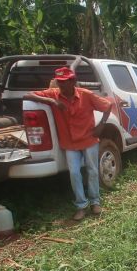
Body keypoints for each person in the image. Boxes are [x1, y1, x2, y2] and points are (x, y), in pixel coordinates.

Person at [23, 66, 113, 220]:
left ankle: (95, 202)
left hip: (88, 139)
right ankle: (81, 205)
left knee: (92, 170)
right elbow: (27, 95)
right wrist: (51, 101)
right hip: (69, 142)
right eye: (59, 82)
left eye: (65, 82)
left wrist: (101, 126)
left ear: (73, 81)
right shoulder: (54, 94)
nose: (62, 85)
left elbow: (107, 105)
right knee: (74, 173)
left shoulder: (86, 95)